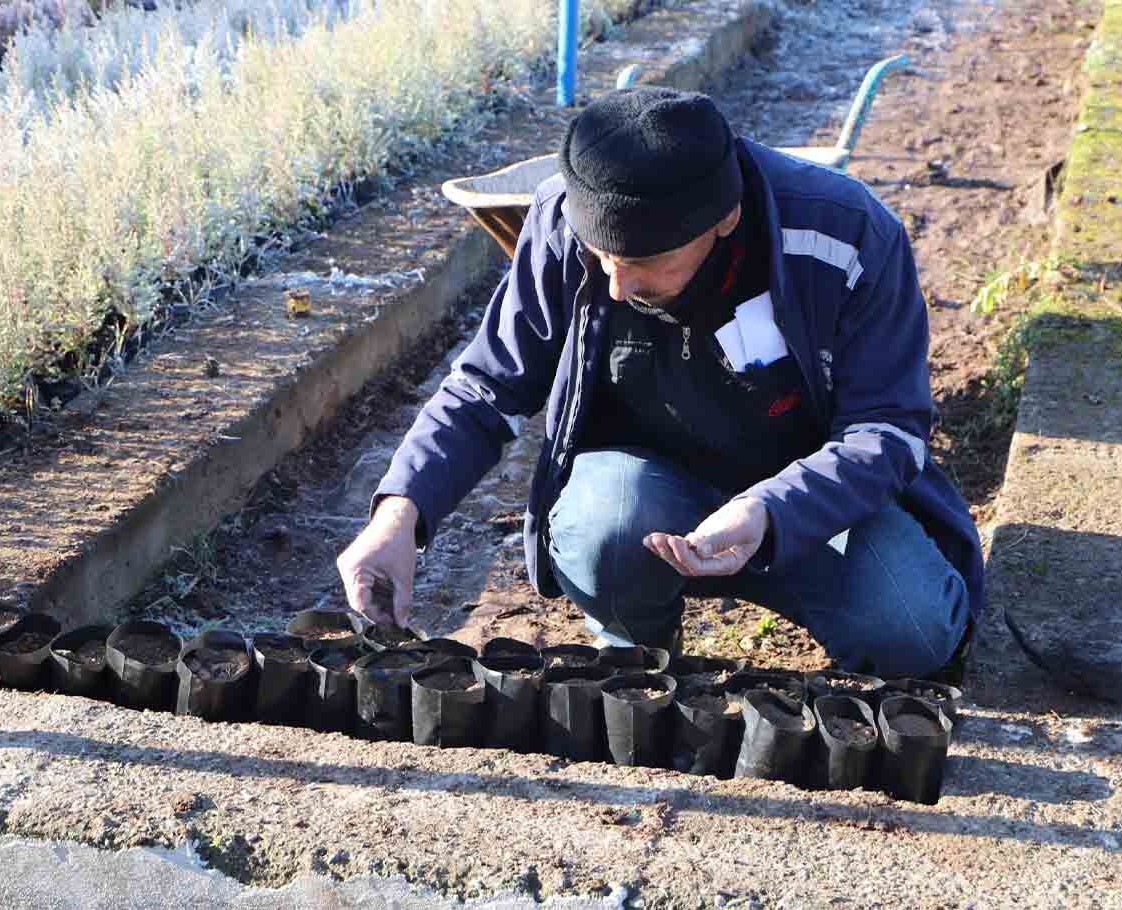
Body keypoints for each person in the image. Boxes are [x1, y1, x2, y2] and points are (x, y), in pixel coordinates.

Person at [336, 87, 982, 678]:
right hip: (645, 500)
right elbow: (487, 388)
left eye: (644, 261)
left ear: (724, 220)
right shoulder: (564, 225)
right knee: (595, 526)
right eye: (603, 259)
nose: (616, 285)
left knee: (913, 628)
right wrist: (400, 515)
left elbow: (886, 431)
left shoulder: (847, 237)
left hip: (809, 508)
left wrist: (770, 511)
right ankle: (635, 649)